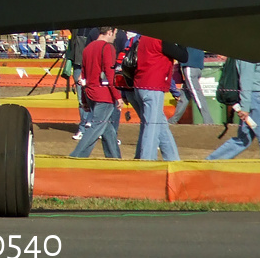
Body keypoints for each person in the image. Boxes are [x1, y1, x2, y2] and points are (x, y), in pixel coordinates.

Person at [206, 59, 260, 160]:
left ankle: (211, 163)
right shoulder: (249, 55)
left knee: (243, 139)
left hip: (255, 97)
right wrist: (245, 107)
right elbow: (246, 81)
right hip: (256, 99)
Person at [70, 27, 124, 159]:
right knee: (96, 127)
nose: (115, 37)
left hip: (90, 93)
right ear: (110, 32)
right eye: (115, 34)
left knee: (107, 129)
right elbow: (110, 74)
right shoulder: (108, 48)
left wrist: (84, 98)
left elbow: (83, 75)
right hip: (104, 94)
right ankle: (76, 156)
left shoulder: (88, 48)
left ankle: (115, 158)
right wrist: (118, 96)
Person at [133, 35, 188, 161]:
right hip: (153, 86)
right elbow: (183, 56)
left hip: (140, 84)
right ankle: (147, 161)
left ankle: (173, 159)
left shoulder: (144, 37)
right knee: (152, 127)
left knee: (160, 125)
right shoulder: (161, 39)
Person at [171, 46, 207, 124]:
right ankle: (173, 120)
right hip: (198, 65)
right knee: (185, 95)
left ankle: (208, 120)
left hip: (190, 65)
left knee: (197, 95)